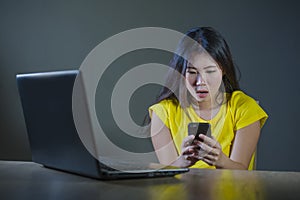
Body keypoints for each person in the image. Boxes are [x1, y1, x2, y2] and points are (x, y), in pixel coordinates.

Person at [148, 27, 268, 170]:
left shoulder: (243, 108)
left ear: (222, 70)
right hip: (180, 191)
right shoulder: (163, 113)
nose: (200, 81)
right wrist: (182, 162)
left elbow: (242, 172)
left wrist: (221, 160)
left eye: (210, 71)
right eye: (192, 72)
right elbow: (166, 175)